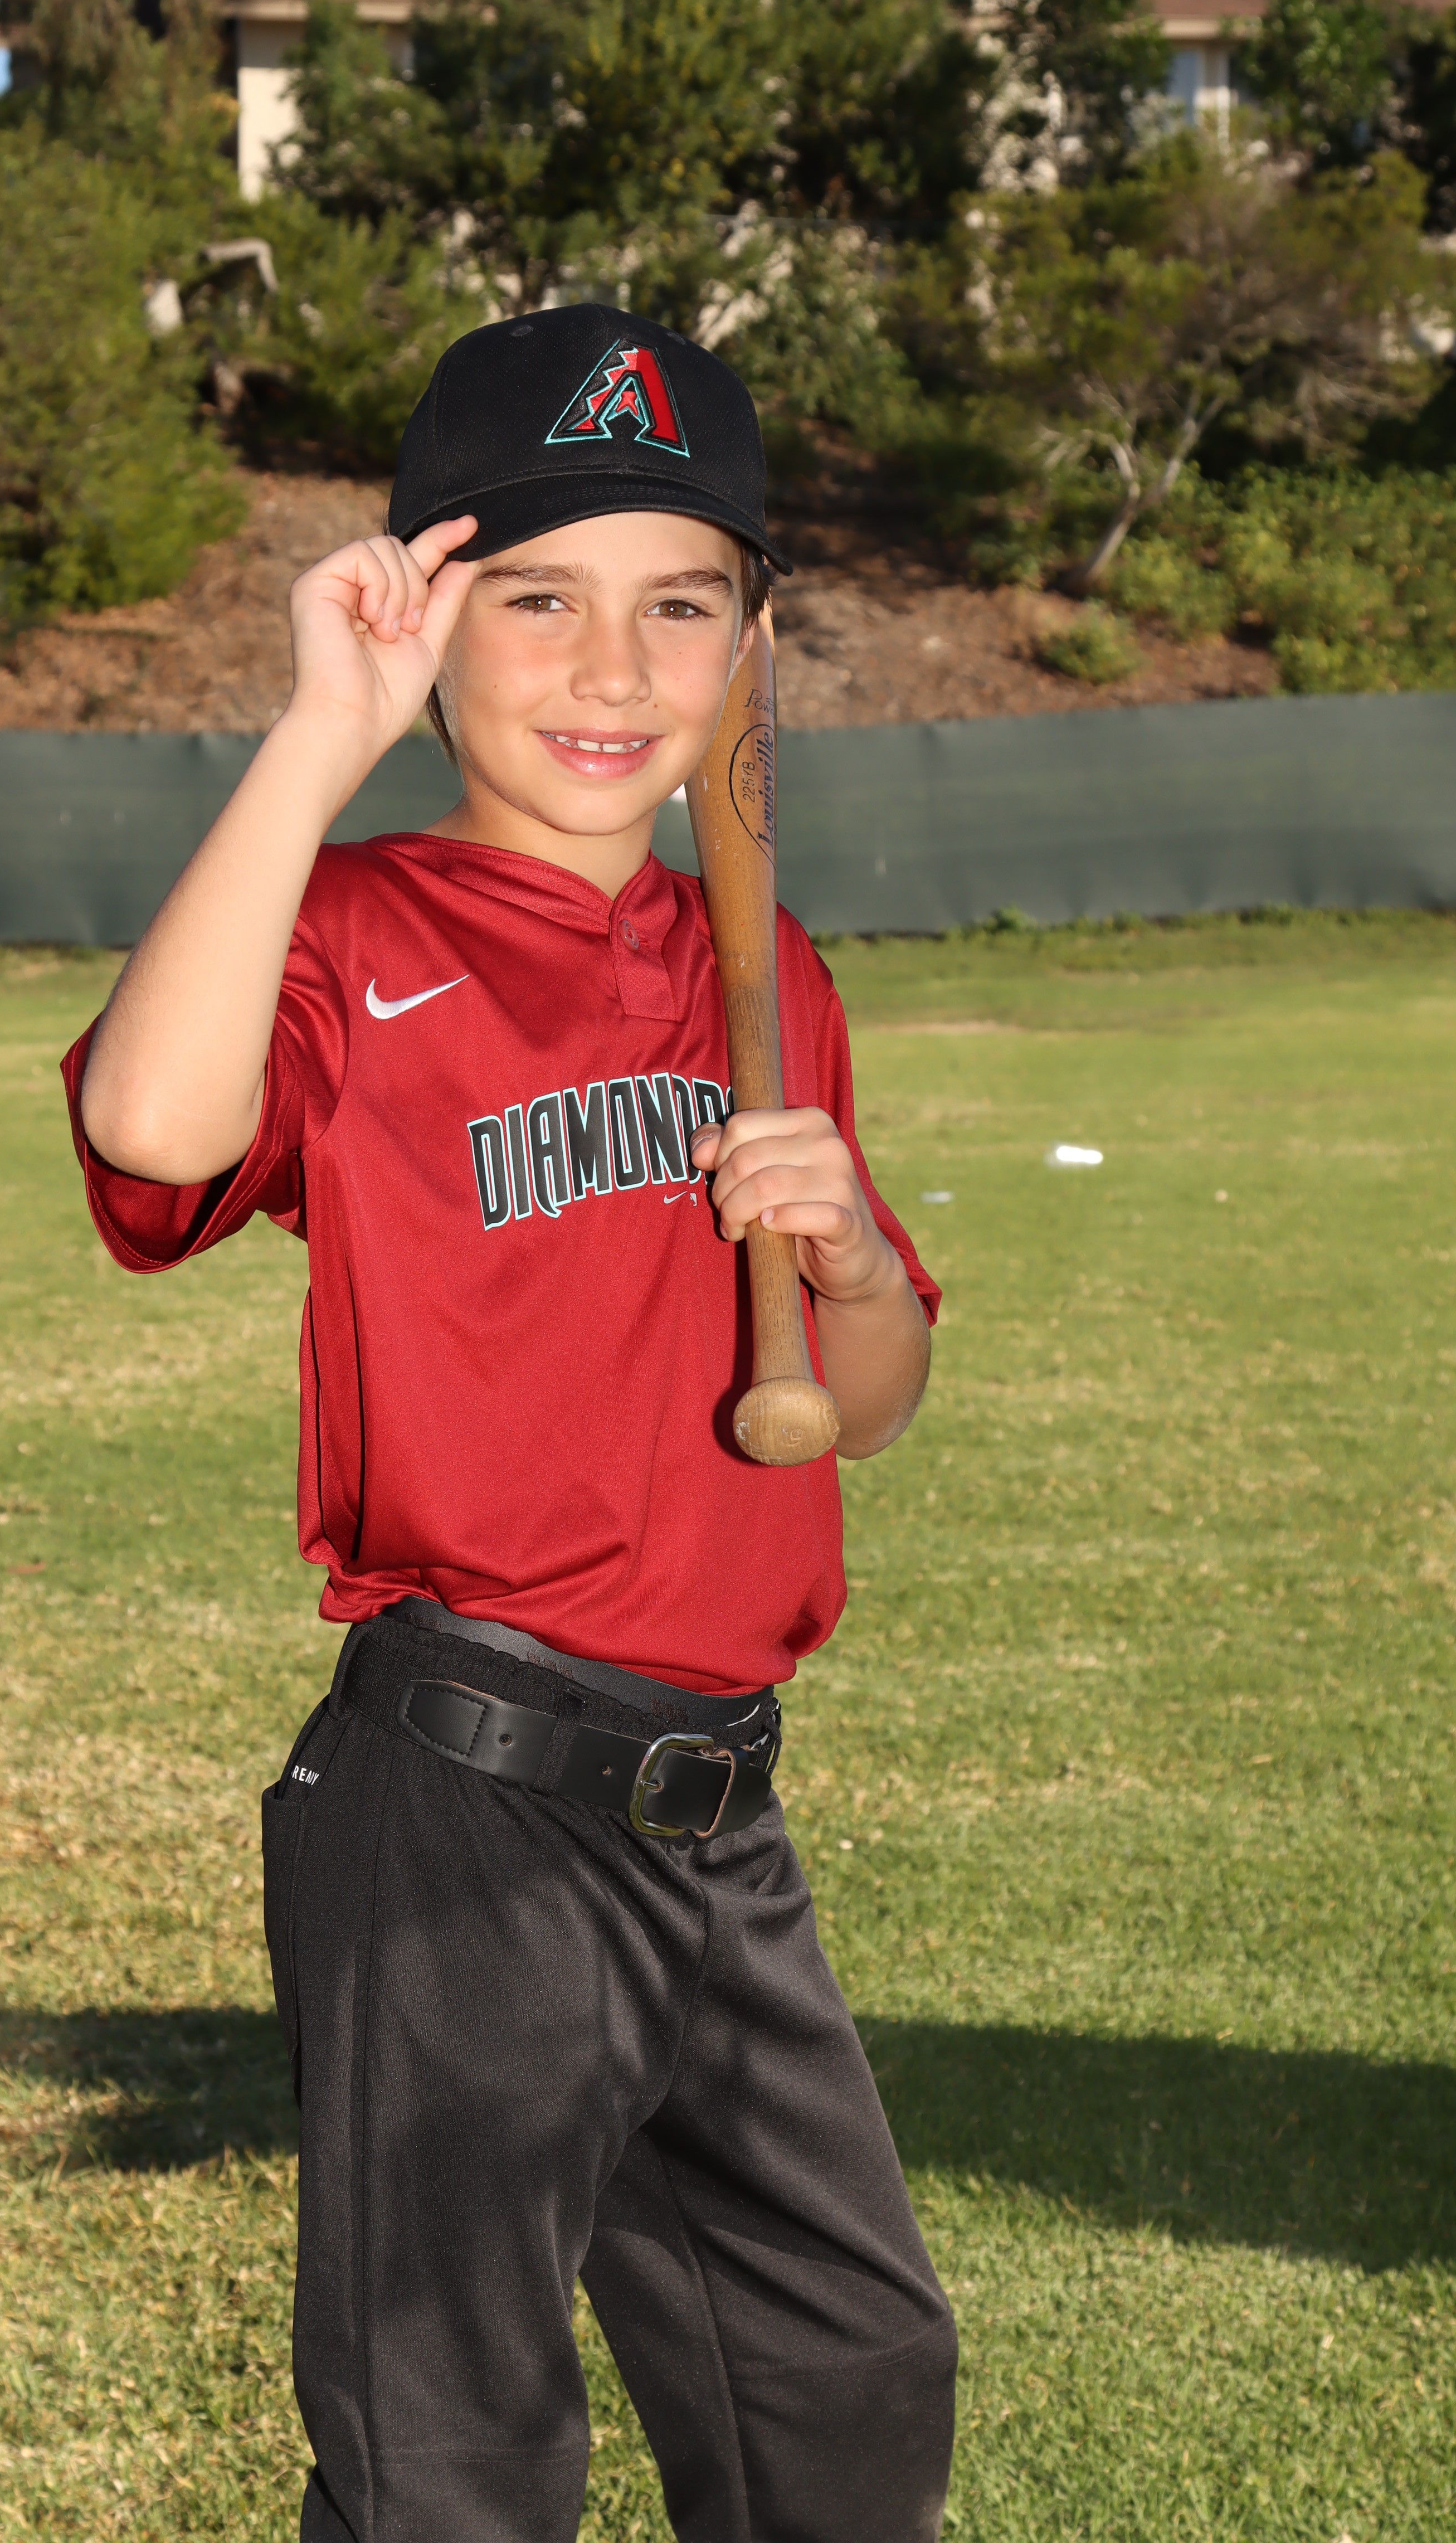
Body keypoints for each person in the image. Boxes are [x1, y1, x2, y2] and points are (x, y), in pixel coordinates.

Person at [63, 306, 957, 2543]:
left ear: (751, 654)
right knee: (454, 2450)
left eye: (682, 606)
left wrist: (850, 1263)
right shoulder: (349, 928)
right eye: (536, 598)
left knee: (842, 2378)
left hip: (718, 1813)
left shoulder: (761, 968)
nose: (611, 667)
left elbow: (854, 1409)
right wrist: (317, 740)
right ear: (428, 619)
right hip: (466, 1799)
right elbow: (153, 1131)